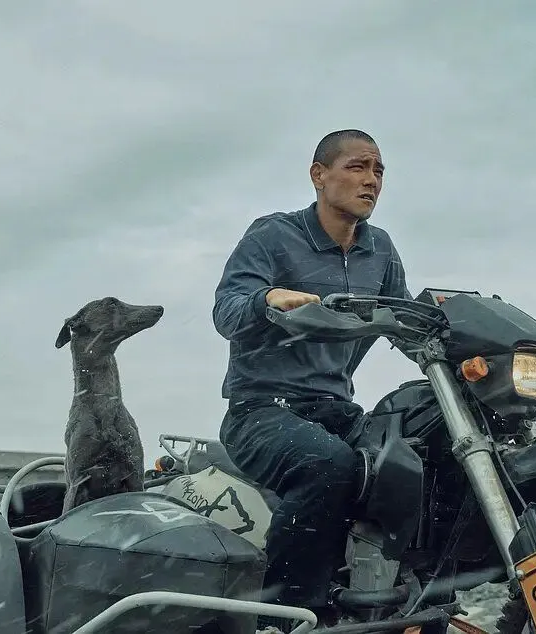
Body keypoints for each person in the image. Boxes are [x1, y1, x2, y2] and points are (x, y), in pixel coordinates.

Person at [212, 129, 412, 627]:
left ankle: (401, 606)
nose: (371, 180)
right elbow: (226, 313)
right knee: (330, 465)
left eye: (379, 170)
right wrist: (266, 299)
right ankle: (286, 618)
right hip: (261, 409)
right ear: (318, 175)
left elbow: (408, 320)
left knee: (415, 459)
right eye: (358, 167)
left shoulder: (380, 250)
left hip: (336, 409)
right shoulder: (273, 235)